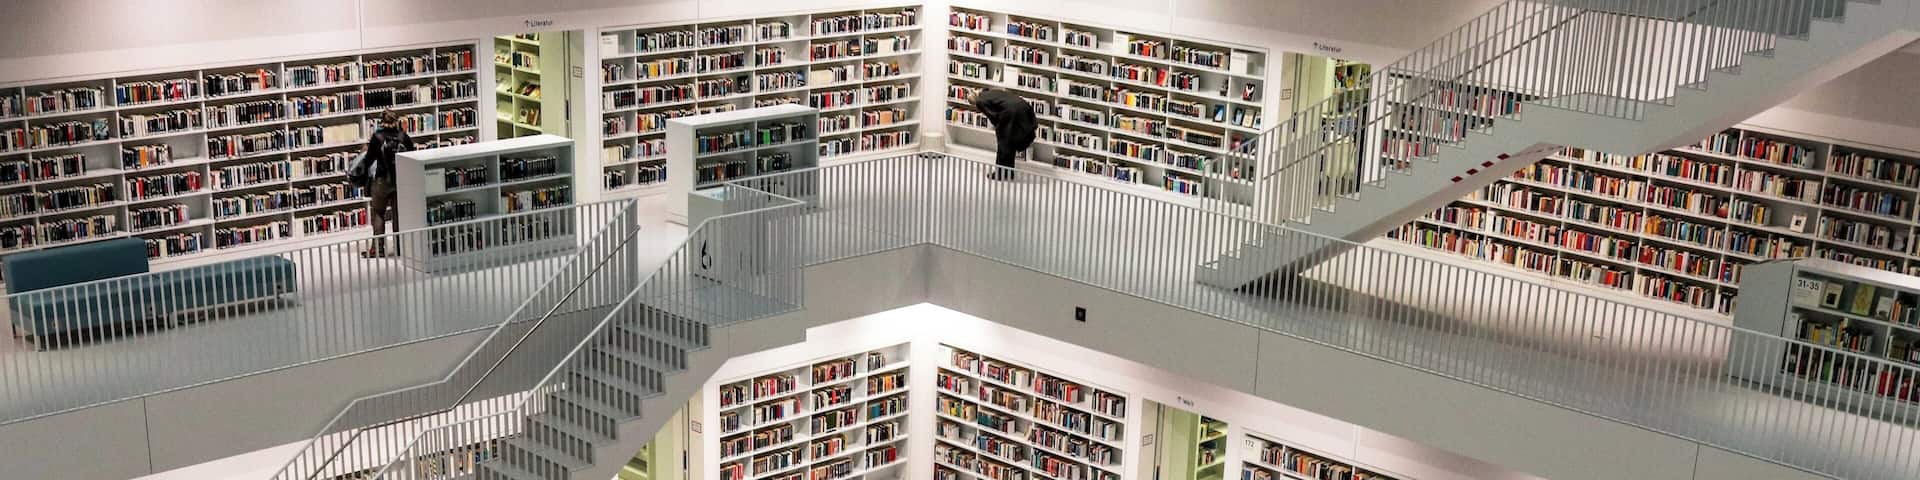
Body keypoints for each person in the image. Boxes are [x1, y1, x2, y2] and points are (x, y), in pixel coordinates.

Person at [362, 111, 413, 257]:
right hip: (400, 181)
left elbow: (369, 159)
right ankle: (400, 248)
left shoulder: (377, 137)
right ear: (397, 120)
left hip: (382, 180)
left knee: (378, 213)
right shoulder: (403, 136)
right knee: (399, 215)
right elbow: (412, 155)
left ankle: (377, 249)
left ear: (381, 121)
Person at [970, 89, 1037, 180]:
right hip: (1023, 106)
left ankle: (1000, 174)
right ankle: (1009, 172)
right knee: (1010, 143)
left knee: (1003, 144)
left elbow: (992, 115)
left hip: (1011, 113)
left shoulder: (980, 102)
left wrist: (998, 127)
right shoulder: (989, 92)